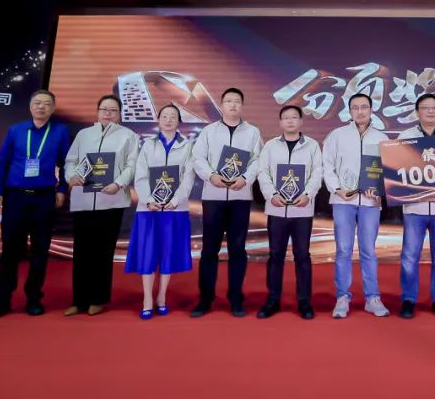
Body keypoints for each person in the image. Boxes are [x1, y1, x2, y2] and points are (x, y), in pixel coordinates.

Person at [0, 89, 71, 319]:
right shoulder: (16, 130)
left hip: (44, 198)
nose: (41, 107)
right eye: (37, 103)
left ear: (53, 108)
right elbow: (2, 163)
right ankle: (3, 300)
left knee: (40, 251)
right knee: (10, 250)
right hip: (15, 197)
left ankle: (34, 299)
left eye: (46, 104)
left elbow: (68, 164)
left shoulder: (60, 131)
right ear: (30, 106)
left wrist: (62, 189)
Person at [63, 94, 140, 316]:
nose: (108, 113)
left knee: (103, 251)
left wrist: (119, 183)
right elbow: (71, 161)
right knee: (82, 251)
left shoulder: (129, 136)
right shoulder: (84, 134)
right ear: (97, 112)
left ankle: (98, 299)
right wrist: (71, 177)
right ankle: (78, 300)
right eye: (104, 109)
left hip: (112, 200)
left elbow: (132, 165)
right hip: (83, 200)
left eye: (113, 110)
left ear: (120, 114)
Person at [190, 87, 263, 317]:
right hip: (213, 197)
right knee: (209, 250)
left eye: (237, 101)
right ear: (221, 105)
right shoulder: (209, 131)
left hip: (240, 197)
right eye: (229, 101)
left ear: (242, 105)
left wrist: (245, 178)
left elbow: (257, 160)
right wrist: (211, 176)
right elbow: (198, 158)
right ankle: (205, 299)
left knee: (238, 249)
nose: (233, 105)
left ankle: (236, 298)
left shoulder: (252, 132)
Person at [322, 93, 391, 319]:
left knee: (368, 250)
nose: (360, 111)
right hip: (343, 200)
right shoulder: (337, 135)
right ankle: (342, 297)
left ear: (371, 109)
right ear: (349, 111)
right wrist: (336, 188)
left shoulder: (382, 137)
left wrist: (379, 189)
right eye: (355, 108)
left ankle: (372, 298)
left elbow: (389, 171)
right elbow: (327, 165)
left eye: (364, 107)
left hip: (370, 202)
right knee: (343, 250)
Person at [127, 104, 195, 320]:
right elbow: (140, 176)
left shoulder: (187, 146)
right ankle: (147, 298)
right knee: (147, 253)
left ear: (179, 121)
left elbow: (188, 178)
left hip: (175, 210)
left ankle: (162, 296)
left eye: (173, 116)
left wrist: (174, 201)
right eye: (164, 116)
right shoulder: (148, 145)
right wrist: (149, 200)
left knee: (168, 253)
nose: (168, 120)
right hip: (149, 210)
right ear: (158, 120)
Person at [256, 106, 323, 320]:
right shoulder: (270, 146)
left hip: (302, 209)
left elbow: (317, 173)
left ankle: (304, 301)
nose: (290, 121)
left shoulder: (312, 146)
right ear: (280, 122)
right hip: (277, 208)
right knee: (275, 255)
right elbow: (262, 172)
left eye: (294, 117)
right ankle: (273, 299)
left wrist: (308, 194)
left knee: (302, 256)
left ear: (301, 121)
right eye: (286, 118)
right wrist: (271, 195)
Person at [396, 93, 435, 319]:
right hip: (415, 208)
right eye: (425, 108)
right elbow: (397, 173)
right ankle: (408, 299)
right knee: (409, 257)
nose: (430, 111)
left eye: (434, 108)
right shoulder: (405, 138)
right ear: (417, 112)